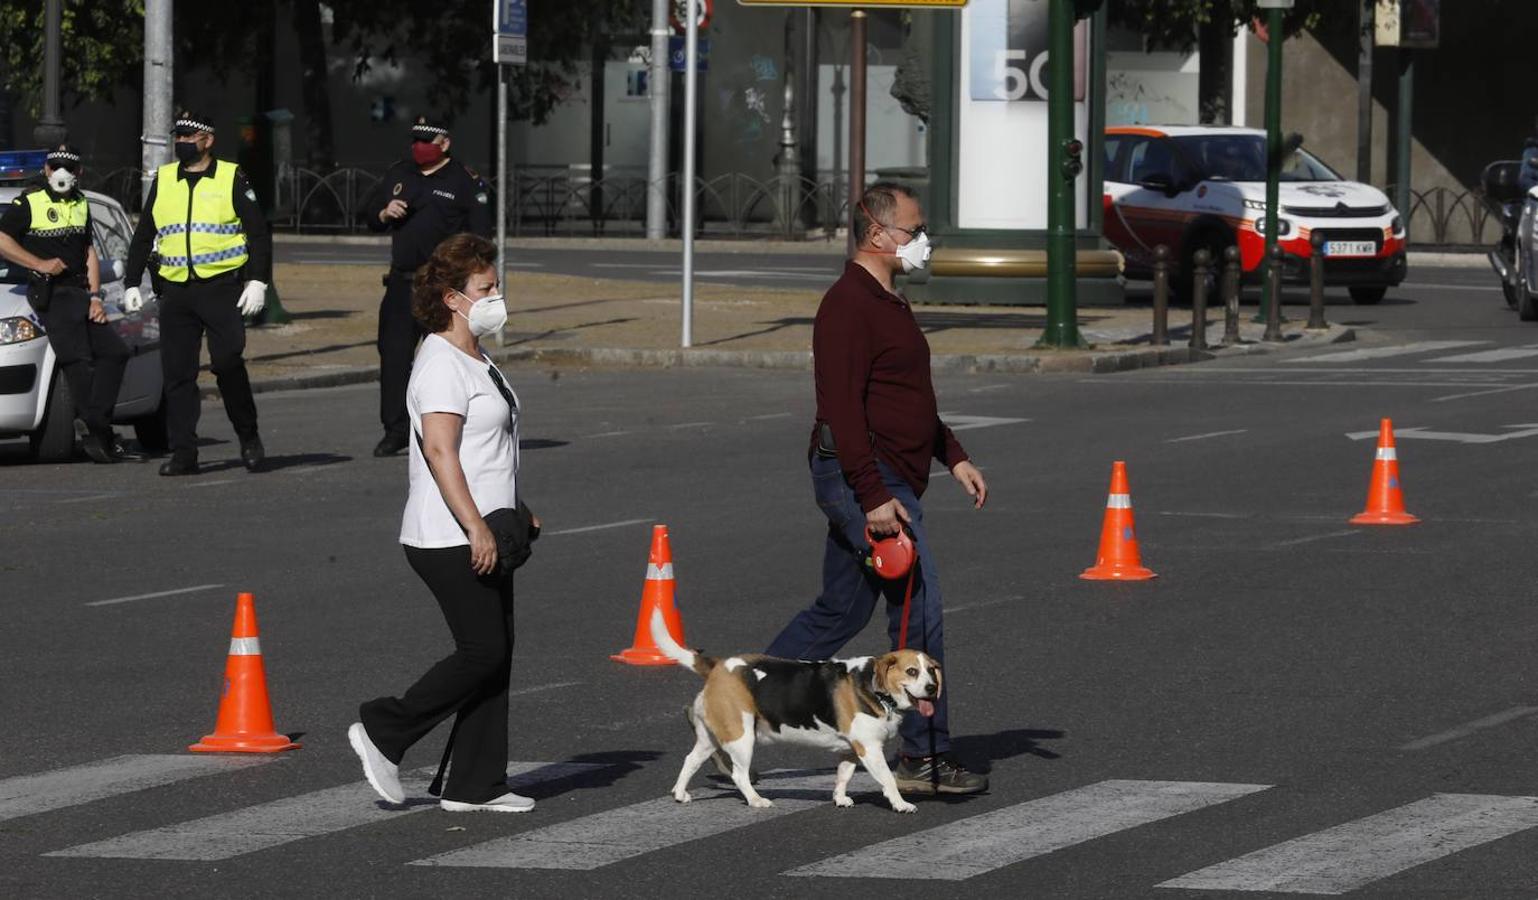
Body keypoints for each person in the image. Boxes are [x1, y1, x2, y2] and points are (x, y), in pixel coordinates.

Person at [763, 182, 990, 796]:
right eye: (914, 230)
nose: (923, 241)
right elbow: (841, 406)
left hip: (886, 474)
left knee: (842, 607)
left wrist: (953, 454)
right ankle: (924, 756)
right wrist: (870, 495)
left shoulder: (887, 301)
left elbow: (906, 399)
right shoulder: (847, 305)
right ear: (878, 234)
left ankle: (749, 692)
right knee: (920, 607)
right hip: (866, 477)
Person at [348, 232, 536, 814]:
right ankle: (385, 730)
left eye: (495, 285)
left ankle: (475, 785)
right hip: (449, 535)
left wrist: (516, 508)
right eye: (486, 288)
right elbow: (440, 452)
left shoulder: (475, 358)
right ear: (453, 299)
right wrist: (477, 526)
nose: (496, 296)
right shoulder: (439, 364)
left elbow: (490, 447)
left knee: (496, 652)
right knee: (482, 650)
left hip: (488, 526)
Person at [123, 110, 272, 476]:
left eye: (190, 136)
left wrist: (258, 280)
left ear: (208, 140)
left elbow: (257, 232)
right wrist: (131, 281)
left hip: (220, 288)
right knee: (177, 375)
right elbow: (144, 234)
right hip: (175, 291)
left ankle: (248, 436)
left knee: (227, 363)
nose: (182, 142)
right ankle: (184, 452)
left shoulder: (230, 176)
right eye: (179, 136)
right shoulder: (165, 179)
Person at [0, 146, 142, 463]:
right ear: (47, 170)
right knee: (77, 361)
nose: (61, 172)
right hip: (51, 293)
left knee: (115, 352)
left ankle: (96, 423)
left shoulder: (80, 203)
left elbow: (89, 250)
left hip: (81, 293)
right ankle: (99, 432)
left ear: (78, 173)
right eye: (55, 165)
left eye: (68, 166)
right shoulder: (29, 203)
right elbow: (2, 240)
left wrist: (95, 297)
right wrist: (38, 262)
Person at [364, 116, 493, 459]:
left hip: (443, 288)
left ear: (445, 143)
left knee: (450, 358)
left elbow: (480, 238)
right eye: (415, 141)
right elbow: (367, 214)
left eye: (427, 141)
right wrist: (383, 213)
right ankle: (395, 431)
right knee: (393, 358)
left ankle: (454, 427)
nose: (419, 147)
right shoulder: (400, 172)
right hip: (402, 283)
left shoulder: (465, 181)